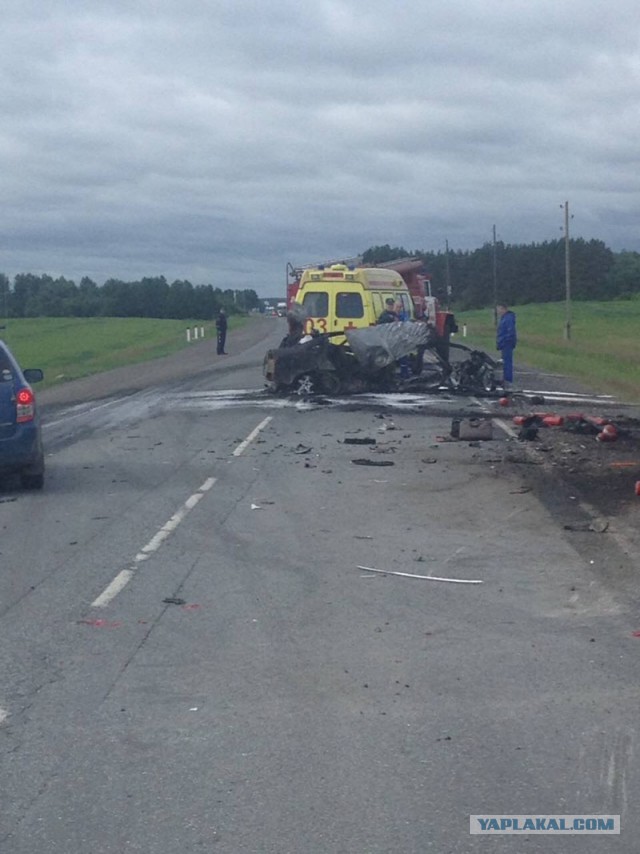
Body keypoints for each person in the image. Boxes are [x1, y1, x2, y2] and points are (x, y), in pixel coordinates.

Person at [496, 303, 517, 389]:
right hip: (504, 343)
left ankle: (508, 381)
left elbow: (510, 331)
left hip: (507, 343)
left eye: (499, 309)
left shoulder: (508, 318)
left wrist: (505, 341)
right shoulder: (504, 318)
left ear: (504, 309)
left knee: (507, 362)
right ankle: (506, 380)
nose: (498, 311)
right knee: (505, 362)